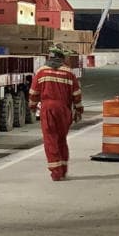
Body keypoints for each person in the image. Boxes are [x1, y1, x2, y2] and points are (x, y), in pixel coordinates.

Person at [29, 46, 83, 180]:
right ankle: (63, 169)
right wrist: (78, 110)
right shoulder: (69, 73)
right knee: (61, 140)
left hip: (48, 109)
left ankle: (56, 172)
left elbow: (34, 92)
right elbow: (76, 94)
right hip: (64, 110)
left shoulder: (41, 72)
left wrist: (32, 106)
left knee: (50, 140)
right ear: (62, 58)